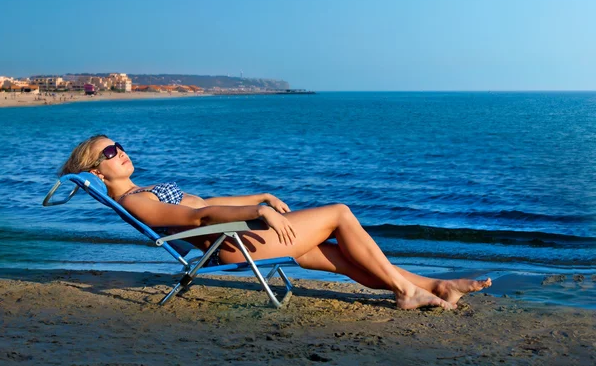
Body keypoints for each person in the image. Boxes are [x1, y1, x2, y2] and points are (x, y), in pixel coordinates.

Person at [60, 135, 491, 310]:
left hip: (234, 238)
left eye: (119, 145)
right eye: (111, 151)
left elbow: (208, 201)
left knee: (342, 258)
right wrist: (257, 213)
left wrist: (259, 197)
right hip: (232, 245)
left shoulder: (144, 190)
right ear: (98, 172)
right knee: (340, 213)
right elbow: (199, 216)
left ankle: (434, 287)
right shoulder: (137, 202)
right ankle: (404, 291)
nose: (122, 151)